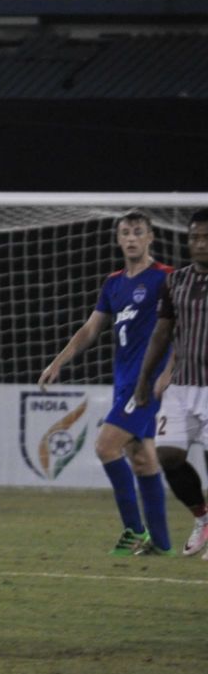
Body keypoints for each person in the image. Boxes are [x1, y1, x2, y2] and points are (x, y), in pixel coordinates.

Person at [39, 210, 174, 555]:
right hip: (123, 381)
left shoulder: (165, 278)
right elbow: (90, 329)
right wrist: (58, 361)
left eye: (138, 232)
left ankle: (134, 531)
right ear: (118, 239)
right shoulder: (114, 283)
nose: (131, 238)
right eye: (125, 232)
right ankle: (160, 544)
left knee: (105, 446)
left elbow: (185, 327)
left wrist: (168, 372)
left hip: (146, 382)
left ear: (150, 238)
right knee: (142, 458)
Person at [131, 207, 208, 558]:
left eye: (206, 237)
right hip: (181, 386)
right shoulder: (175, 281)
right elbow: (162, 334)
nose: (200, 244)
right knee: (168, 455)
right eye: (194, 237)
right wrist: (145, 378)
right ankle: (202, 517)